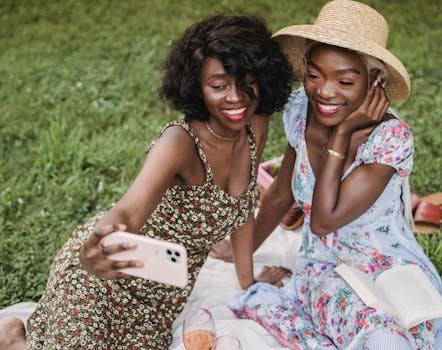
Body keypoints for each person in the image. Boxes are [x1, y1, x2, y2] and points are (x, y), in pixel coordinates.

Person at [230, 1, 442, 349]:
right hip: (325, 266)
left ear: (374, 81)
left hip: (392, 267)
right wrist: (240, 251)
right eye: (314, 75)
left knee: (410, 326)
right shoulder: (300, 111)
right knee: (380, 334)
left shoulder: (390, 138)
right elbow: (282, 195)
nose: (325, 91)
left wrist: (341, 136)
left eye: (345, 80)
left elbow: (323, 218)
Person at [0, 15, 293, 349]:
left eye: (246, 82)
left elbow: (241, 213)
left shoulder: (255, 124)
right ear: (196, 86)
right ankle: (15, 340)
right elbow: (126, 210)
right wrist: (94, 249)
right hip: (104, 279)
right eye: (218, 85)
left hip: (159, 296)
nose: (236, 97)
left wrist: (247, 281)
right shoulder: (180, 142)